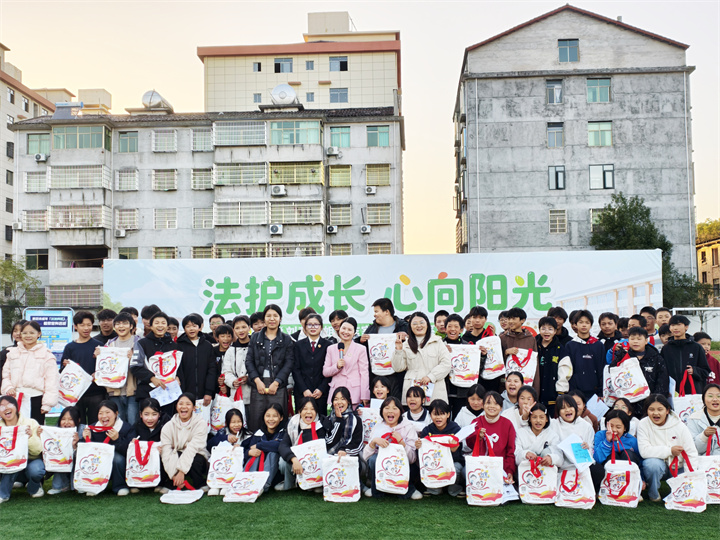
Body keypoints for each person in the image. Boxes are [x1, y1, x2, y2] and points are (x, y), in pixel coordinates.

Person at [638, 394, 698, 501]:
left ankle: (679, 490)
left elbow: (691, 452)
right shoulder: (643, 424)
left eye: (660, 409)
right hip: (659, 466)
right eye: (651, 409)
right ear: (647, 411)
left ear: (667, 410)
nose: (655, 413)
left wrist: (689, 477)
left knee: (682, 494)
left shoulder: (679, 425)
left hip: (678, 467)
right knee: (651, 464)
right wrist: (670, 450)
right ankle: (653, 494)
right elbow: (644, 451)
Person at [245, 304, 295, 432]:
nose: (272, 319)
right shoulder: (255, 337)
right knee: (257, 419)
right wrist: (257, 381)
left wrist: (277, 382)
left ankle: (278, 443)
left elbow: (289, 363)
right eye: (268, 316)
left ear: (280, 318)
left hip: (278, 385)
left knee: (277, 419)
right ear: (264, 319)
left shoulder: (286, 339)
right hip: (259, 385)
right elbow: (249, 361)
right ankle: (256, 443)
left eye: (275, 316)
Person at [363, 396, 421, 499]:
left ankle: (409, 489)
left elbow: (412, 458)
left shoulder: (408, 427)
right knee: (373, 460)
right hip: (384, 465)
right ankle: (377, 488)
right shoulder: (378, 427)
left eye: (394, 408)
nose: (390, 411)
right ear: (381, 411)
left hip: (401, 463)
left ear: (400, 412)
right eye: (387, 408)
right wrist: (373, 442)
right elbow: (366, 457)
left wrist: (401, 442)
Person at [1, 321, 58, 424]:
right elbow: (6, 375)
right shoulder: (12, 353)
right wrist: (8, 388)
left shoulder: (47, 355)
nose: (28, 336)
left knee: (34, 430)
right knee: (15, 429)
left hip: (36, 399)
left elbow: (51, 381)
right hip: (15, 398)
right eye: (25, 333)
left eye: (32, 333)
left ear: (39, 334)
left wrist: (47, 404)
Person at [392, 312, 451, 405]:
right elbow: (398, 368)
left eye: (421, 322)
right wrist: (398, 350)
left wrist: (431, 377)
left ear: (427, 324)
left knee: (436, 412)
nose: (418, 326)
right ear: (410, 327)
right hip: (412, 392)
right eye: (415, 324)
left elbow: (446, 364)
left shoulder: (437, 342)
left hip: (435, 391)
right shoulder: (405, 345)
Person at [359, 298, 410, 399]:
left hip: (398, 376)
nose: (374, 315)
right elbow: (363, 351)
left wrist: (408, 337)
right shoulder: (372, 329)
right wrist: (360, 341)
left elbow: (416, 344)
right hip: (377, 376)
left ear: (387, 312)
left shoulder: (404, 327)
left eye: (376, 311)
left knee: (396, 403)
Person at [277, 396, 330, 491]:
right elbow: (283, 445)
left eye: (312, 409)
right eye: (305, 409)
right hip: (297, 460)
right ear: (299, 411)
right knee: (282, 462)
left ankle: (318, 483)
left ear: (316, 412)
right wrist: (294, 459)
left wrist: (308, 431)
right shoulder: (293, 424)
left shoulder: (322, 424)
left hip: (315, 461)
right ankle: (291, 484)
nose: (308, 412)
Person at [81, 400, 132, 496]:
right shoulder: (92, 428)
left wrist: (117, 439)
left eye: (107, 412)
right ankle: (93, 485)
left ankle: (120, 486)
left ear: (116, 413)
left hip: (118, 464)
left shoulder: (125, 427)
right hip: (97, 461)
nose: (104, 416)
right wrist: (86, 439)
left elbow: (129, 451)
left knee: (117, 459)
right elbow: (84, 450)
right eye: (100, 413)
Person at [160, 392, 209, 492]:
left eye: (188, 404)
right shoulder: (168, 426)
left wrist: (181, 472)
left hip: (196, 454)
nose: (184, 407)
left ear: (194, 408)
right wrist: (173, 475)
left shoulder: (201, 423)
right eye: (181, 403)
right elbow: (166, 451)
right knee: (168, 455)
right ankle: (172, 482)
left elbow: (193, 448)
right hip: (176, 454)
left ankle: (199, 483)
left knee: (196, 459)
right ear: (176, 406)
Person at [62, 311, 105, 425]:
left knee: (95, 423)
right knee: (77, 423)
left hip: (96, 392)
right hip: (76, 393)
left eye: (89, 325)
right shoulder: (70, 347)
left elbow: (105, 368)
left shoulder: (99, 346)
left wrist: (98, 371)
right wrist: (64, 365)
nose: (86, 328)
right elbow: (63, 371)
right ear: (75, 326)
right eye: (82, 325)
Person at [465, 391, 517, 484]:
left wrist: (509, 470)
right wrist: (478, 436)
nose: (492, 406)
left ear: (501, 408)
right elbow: (469, 444)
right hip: (480, 465)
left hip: (500, 466)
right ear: (483, 405)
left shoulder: (507, 424)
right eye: (488, 403)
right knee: (464, 472)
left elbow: (510, 451)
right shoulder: (476, 422)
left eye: (496, 404)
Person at [0, 395, 44, 502]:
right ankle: (3, 494)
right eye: (1, 406)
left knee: (36, 470)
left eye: (9, 404)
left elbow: (38, 450)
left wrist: (30, 437)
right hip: (9, 461)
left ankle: (34, 488)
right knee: (11, 461)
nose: (6, 408)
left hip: (31, 460)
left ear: (16, 407)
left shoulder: (31, 423)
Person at [416, 399, 464, 497]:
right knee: (436, 491)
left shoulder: (455, 429)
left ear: (448, 414)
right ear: (430, 415)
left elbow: (459, 454)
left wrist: (454, 450)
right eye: (435, 414)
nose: (438, 417)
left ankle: (453, 487)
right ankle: (435, 488)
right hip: (434, 463)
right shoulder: (427, 431)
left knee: (456, 468)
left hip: (452, 462)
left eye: (442, 414)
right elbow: (423, 454)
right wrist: (418, 446)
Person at [130, 311, 178, 409]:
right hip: (147, 392)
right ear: (151, 326)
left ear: (167, 327)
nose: (160, 325)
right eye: (157, 323)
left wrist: (178, 377)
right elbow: (135, 366)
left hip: (169, 393)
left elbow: (179, 367)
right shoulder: (141, 343)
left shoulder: (174, 346)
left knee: (167, 418)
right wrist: (151, 378)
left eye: (163, 323)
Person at [98, 312, 140, 426]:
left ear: (131, 326)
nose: (121, 326)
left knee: (133, 421)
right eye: (118, 324)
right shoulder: (109, 344)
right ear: (114, 327)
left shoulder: (138, 342)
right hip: (114, 391)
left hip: (133, 390)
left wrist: (134, 358)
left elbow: (144, 365)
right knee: (118, 422)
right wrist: (99, 355)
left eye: (125, 323)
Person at [609, 326, 669, 402]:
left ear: (646, 341)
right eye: (632, 339)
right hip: (628, 400)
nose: (635, 341)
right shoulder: (623, 355)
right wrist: (620, 356)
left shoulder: (656, 358)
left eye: (639, 339)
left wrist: (655, 399)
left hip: (650, 400)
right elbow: (612, 370)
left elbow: (662, 381)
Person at [323, 317, 369, 409]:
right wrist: (336, 366)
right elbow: (325, 372)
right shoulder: (331, 348)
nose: (346, 332)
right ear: (339, 329)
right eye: (343, 328)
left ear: (354, 333)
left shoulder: (360, 349)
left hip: (354, 392)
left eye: (349, 330)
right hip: (336, 392)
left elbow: (364, 373)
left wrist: (365, 395)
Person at [126, 397, 170, 493]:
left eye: (154, 414)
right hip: (142, 460)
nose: (150, 418)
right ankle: (136, 483)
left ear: (159, 414)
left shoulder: (167, 424)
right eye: (146, 414)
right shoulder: (136, 426)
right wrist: (132, 442)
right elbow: (129, 442)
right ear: (140, 414)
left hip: (160, 459)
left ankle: (161, 483)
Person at [590, 409, 641, 491]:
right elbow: (598, 459)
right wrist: (607, 441)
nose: (614, 430)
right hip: (608, 472)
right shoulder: (600, 435)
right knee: (612, 455)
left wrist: (642, 479)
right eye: (611, 426)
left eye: (618, 427)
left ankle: (631, 487)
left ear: (625, 428)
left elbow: (639, 462)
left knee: (627, 453)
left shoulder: (632, 440)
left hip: (627, 472)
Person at [207, 408, 251, 496]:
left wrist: (240, 448)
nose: (236, 425)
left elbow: (249, 452)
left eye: (239, 421)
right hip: (222, 465)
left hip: (238, 466)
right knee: (223, 446)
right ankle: (215, 485)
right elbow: (209, 445)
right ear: (227, 423)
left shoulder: (247, 435)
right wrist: (226, 438)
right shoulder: (223, 432)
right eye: (233, 422)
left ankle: (226, 485)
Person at [241, 403, 285, 492]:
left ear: (281, 418)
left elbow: (280, 446)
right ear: (264, 417)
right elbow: (246, 448)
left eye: (275, 416)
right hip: (258, 470)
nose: (271, 419)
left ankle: (264, 485)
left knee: (273, 453)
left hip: (275, 475)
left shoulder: (284, 432)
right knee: (255, 452)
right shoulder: (258, 433)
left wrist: (259, 445)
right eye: (268, 416)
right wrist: (249, 452)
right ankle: (248, 481)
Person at [562, 310, 606, 399]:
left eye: (587, 322)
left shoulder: (598, 345)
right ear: (575, 325)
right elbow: (568, 370)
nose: (584, 325)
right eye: (581, 322)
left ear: (591, 325)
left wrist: (601, 392)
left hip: (595, 393)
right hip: (575, 392)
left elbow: (602, 369)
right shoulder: (570, 345)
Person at [662, 315, 710, 395]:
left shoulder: (696, 347)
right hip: (672, 392)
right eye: (673, 325)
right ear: (670, 328)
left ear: (686, 327)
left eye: (679, 325)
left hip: (693, 392)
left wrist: (694, 371)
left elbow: (706, 371)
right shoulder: (666, 349)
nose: (675, 328)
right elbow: (662, 372)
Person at [292, 313, 331, 412]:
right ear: (305, 327)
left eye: (316, 324)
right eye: (309, 324)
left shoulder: (328, 345)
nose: (313, 327)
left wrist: (321, 389)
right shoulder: (298, 345)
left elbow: (330, 370)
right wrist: (304, 389)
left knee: (320, 419)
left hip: (321, 393)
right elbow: (295, 369)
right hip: (302, 392)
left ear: (321, 327)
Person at [177, 313, 216, 409]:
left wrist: (208, 392)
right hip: (184, 394)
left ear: (200, 327)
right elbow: (177, 370)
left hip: (204, 395)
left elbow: (212, 370)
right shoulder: (178, 346)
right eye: (188, 326)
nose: (191, 329)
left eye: (194, 326)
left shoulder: (207, 346)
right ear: (184, 329)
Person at [39, 406, 81, 495]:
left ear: (78, 420)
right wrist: (40, 435)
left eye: (70, 419)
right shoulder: (55, 432)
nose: (66, 422)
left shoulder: (82, 431)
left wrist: (76, 445)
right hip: (61, 463)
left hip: (76, 464)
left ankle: (77, 484)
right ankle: (61, 485)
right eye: (63, 419)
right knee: (60, 457)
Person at [500, 308, 539, 394]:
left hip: (525, 384)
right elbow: (497, 361)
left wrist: (536, 389)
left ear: (522, 320)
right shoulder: (503, 338)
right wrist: (506, 352)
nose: (510, 321)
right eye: (509, 318)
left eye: (514, 319)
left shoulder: (530, 339)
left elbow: (534, 364)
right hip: (506, 385)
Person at [514, 402, 562, 469]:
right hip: (525, 471)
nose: (538, 420)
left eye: (542, 417)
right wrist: (525, 454)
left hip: (546, 471)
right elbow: (516, 454)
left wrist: (551, 458)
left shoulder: (552, 435)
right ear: (529, 419)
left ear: (547, 419)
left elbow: (560, 457)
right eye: (534, 417)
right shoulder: (521, 433)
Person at [535, 316, 568, 412]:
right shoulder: (534, 346)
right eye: (543, 328)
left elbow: (564, 372)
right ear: (539, 330)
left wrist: (560, 393)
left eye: (550, 329)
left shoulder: (560, 349)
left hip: (552, 397)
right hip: (535, 394)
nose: (546, 332)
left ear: (555, 331)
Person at [551, 394, 595, 464]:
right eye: (563, 408)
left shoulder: (586, 426)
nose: (567, 410)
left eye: (570, 406)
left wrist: (588, 448)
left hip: (582, 464)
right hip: (560, 465)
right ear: (558, 411)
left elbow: (591, 448)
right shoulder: (553, 424)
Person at [222, 316, 251, 408]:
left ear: (249, 328)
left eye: (244, 327)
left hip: (254, 395)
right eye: (237, 328)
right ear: (234, 330)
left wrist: (249, 378)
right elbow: (226, 371)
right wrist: (233, 382)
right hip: (235, 396)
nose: (241, 330)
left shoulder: (256, 347)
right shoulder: (230, 350)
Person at [325, 387, 363, 457]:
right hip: (329, 457)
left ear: (348, 401)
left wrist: (344, 450)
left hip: (348, 457)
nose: (339, 402)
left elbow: (358, 444)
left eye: (343, 399)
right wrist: (339, 420)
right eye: (336, 399)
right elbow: (329, 442)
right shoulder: (328, 419)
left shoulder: (356, 420)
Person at [686, 383, 720, 456]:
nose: (715, 399)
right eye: (710, 396)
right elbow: (692, 449)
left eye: (719, 396)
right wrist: (704, 436)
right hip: (703, 461)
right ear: (703, 399)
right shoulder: (694, 419)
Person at [0, 320, 25, 390]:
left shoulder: (37, 352)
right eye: (15, 331)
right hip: (10, 391)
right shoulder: (6, 352)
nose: (18, 333)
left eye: (21, 331)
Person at [212, 324, 234, 396]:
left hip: (231, 388)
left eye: (228, 336)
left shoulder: (234, 351)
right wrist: (218, 380)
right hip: (214, 389)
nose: (226, 339)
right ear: (217, 338)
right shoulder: (212, 352)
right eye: (222, 336)